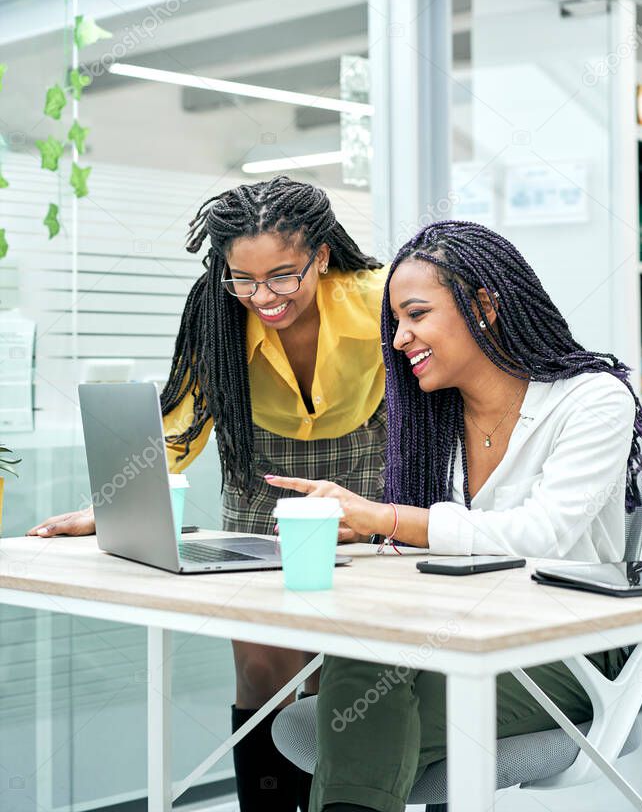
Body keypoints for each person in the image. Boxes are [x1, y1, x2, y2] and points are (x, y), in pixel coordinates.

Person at [27, 176, 388, 812]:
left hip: (362, 479)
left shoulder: (380, 298)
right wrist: (107, 506)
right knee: (261, 668)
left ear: (322, 256)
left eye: (282, 276)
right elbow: (177, 431)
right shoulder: (217, 315)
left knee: (346, 668)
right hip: (260, 482)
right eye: (242, 278)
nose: (263, 297)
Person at [266, 220, 642, 812]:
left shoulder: (592, 398)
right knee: (365, 660)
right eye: (395, 322)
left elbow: (539, 535)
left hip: (568, 647)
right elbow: (431, 549)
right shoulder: (434, 423)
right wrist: (364, 533)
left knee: (356, 716)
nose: (399, 339)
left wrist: (391, 519)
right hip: (460, 634)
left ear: (484, 305)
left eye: (416, 315)